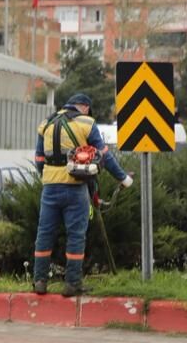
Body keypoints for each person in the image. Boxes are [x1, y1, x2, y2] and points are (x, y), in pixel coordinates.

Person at [32, 92, 133, 296]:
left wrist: (50, 176)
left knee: (44, 233)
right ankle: (72, 284)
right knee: (76, 235)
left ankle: (40, 281)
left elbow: (39, 160)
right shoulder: (86, 123)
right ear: (85, 107)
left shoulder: (46, 124)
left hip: (50, 187)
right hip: (75, 186)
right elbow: (105, 156)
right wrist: (123, 178)